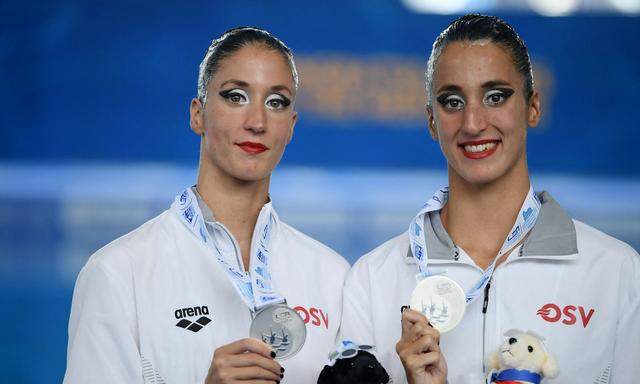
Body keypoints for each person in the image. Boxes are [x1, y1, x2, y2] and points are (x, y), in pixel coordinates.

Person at [340, 14, 640, 384]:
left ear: (533, 106)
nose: (473, 123)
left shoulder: (616, 272)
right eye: (452, 101)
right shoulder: (373, 280)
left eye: (495, 96)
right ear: (432, 121)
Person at [63, 27, 349, 384]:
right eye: (235, 96)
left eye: (276, 102)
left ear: (290, 127)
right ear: (198, 115)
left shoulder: (333, 277)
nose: (257, 122)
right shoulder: (119, 274)